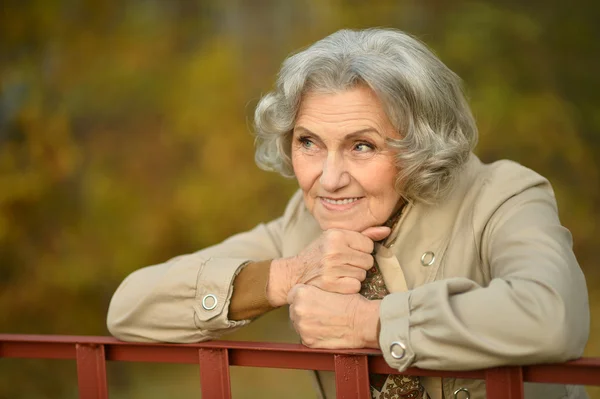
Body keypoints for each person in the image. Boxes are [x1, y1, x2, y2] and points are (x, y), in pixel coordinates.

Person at [107, 28, 590, 399]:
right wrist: (286, 276)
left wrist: (370, 323)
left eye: (362, 145)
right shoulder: (304, 222)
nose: (330, 178)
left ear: (421, 146)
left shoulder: (502, 194)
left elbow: (552, 315)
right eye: (309, 143)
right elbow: (129, 309)